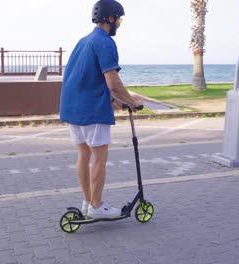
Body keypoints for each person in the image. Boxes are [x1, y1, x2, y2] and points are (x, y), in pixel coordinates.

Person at [59, 0, 142, 219]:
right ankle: (97, 206)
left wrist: (116, 102)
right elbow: (112, 82)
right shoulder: (105, 42)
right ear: (110, 18)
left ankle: (87, 203)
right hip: (92, 112)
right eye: (119, 19)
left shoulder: (83, 41)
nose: (120, 24)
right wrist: (132, 102)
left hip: (73, 109)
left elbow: (88, 79)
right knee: (99, 158)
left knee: (83, 154)